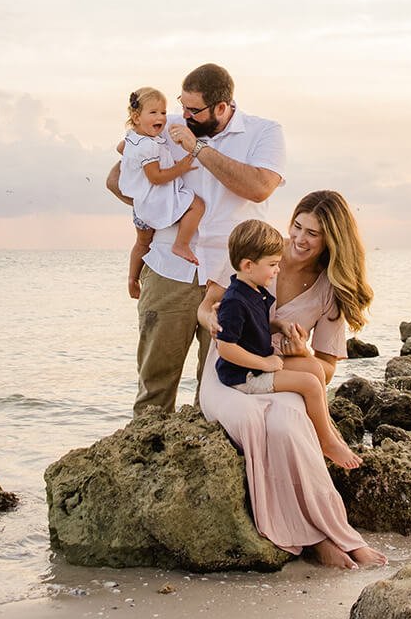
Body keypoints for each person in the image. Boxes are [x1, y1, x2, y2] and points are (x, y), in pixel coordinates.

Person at [196, 190, 387, 569]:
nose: (299, 239)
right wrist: (215, 325)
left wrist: (300, 352)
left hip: (283, 371)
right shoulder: (257, 248)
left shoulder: (332, 287)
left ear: (332, 239)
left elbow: (326, 369)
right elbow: (205, 308)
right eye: (297, 226)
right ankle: (317, 541)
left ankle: (334, 532)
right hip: (230, 371)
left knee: (286, 424)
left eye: (313, 234)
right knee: (251, 422)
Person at [105, 64, 286, 416]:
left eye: (193, 110)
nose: (183, 115)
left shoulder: (264, 132)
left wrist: (198, 149)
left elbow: (260, 188)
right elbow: (117, 179)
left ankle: (209, 465)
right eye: (181, 105)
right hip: (168, 270)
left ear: (222, 107)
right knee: (153, 387)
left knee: (220, 389)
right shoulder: (163, 125)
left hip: (231, 278)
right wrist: (163, 210)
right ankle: (143, 461)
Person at [212, 218, 362, 470]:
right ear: (248, 265)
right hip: (245, 374)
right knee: (310, 384)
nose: (278, 270)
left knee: (315, 370)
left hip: (260, 363)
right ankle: (326, 441)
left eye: (312, 233)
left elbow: (255, 327)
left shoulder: (254, 290)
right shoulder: (235, 300)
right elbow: (226, 347)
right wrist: (265, 363)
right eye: (272, 265)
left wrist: (279, 328)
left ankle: (329, 434)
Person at [119, 87, 205, 299]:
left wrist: (134, 161)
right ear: (136, 117)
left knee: (142, 242)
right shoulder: (148, 146)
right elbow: (156, 177)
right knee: (197, 205)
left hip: (140, 207)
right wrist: (180, 168)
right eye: (153, 113)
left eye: (163, 113)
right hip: (156, 200)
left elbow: (121, 148)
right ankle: (181, 244)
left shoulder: (133, 138)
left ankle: (132, 279)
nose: (161, 118)